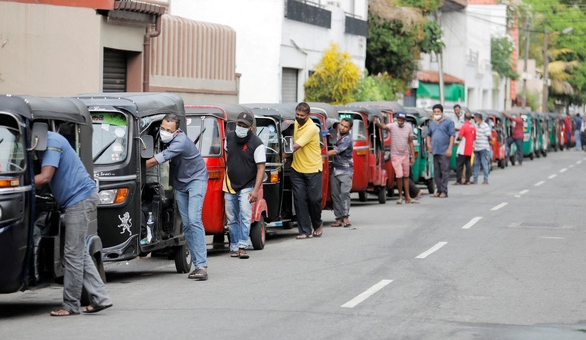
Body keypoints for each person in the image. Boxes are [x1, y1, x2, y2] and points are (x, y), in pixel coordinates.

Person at [34, 131, 112, 316]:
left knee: (72, 253)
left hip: (79, 199)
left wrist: (13, 182)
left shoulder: (52, 141)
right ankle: (101, 297)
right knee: (79, 252)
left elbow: (45, 177)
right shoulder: (42, 142)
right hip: (77, 199)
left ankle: (70, 305)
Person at [146, 113, 209, 280]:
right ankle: (197, 265)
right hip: (180, 184)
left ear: (176, 131)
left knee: (195, 220)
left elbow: (155, 161)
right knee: (187, 225)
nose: (164, 132)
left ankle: (202, 266)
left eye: (169, 130)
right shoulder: (163, 137)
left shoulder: (180, 141)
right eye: (163, 128)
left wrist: (132, 169)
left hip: (196, 179)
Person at [224, 112, 266, 259]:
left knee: (245, 215)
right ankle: (234, 246)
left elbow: (261, 168)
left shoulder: (257, 143)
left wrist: (255, 190)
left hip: (248, 185)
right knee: (231, 218)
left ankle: (242, 246)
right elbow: (228, 156)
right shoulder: (229, 137)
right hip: (230, 185)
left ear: (250, 127)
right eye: (239, 125)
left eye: (244, 126)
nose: (240, 128)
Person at [289, 102, 323, 239]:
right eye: (297, 114)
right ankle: (304, 231)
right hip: (297, 168)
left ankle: (317, 224)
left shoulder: (311, 128)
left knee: (314, 200)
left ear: (308, 115)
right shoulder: (296, 124)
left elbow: (295, 146)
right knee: (299, 199)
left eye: (302, 115)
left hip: (312, 168)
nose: (298, 117)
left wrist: (283, 154)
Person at [374, 111, 418, 204]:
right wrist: (377, 123)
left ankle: (408, 197)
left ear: (405, 120)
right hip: (395, 155)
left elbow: (410, 141)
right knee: (399, 175)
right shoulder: (392, 126)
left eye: (402, 120)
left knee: (406, 176)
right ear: (396, 119)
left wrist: (412, 156)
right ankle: (400, 196)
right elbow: (383, 127)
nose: (400, 122)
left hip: (405, 154)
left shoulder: (409, 127)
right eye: (399, 120)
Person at [327, 118, 354, 228]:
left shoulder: (348, 139)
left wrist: (318, 154)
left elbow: (335, 151)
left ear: (349, 129)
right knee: (335, 195)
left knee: (344, 194)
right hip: (334, 170)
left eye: (345, 126)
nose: (342, 127)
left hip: (345, 171)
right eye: (341, 125)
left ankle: (345, 217)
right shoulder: (335, 134)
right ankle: (338, 218)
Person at [426, 104, 455, 198]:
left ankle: (444, 191)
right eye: (435, 112)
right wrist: (428, 145)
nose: (436, 114)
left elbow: (452, 136)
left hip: (444, 151)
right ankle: (438, 190)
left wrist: (450, 148)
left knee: (444, 171)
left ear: (442, 112)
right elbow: (428, 135)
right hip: (435, 150)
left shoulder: (449, 122)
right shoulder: (433, 123)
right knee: (437, 172)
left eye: (438, 112)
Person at [455, 113, 476, 185]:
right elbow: (474, 137)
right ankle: (467, 180)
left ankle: (458, 180)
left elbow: (460, 137)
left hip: (462, 148)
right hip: (470, 148)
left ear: (464, 118)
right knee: (468, 165)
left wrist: (457, 139)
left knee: (459, 165)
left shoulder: (464, 126)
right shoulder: (473, 127)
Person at [472, 113, 492, 184]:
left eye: (474, 118)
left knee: (484, 163)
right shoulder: (476, 126)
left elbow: (489, 136)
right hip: (477, 148)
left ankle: (485, 179)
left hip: (483, 148)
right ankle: (475, 179)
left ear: (478, 118)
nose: (474, 119)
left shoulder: (485, 126)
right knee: (476, 164)